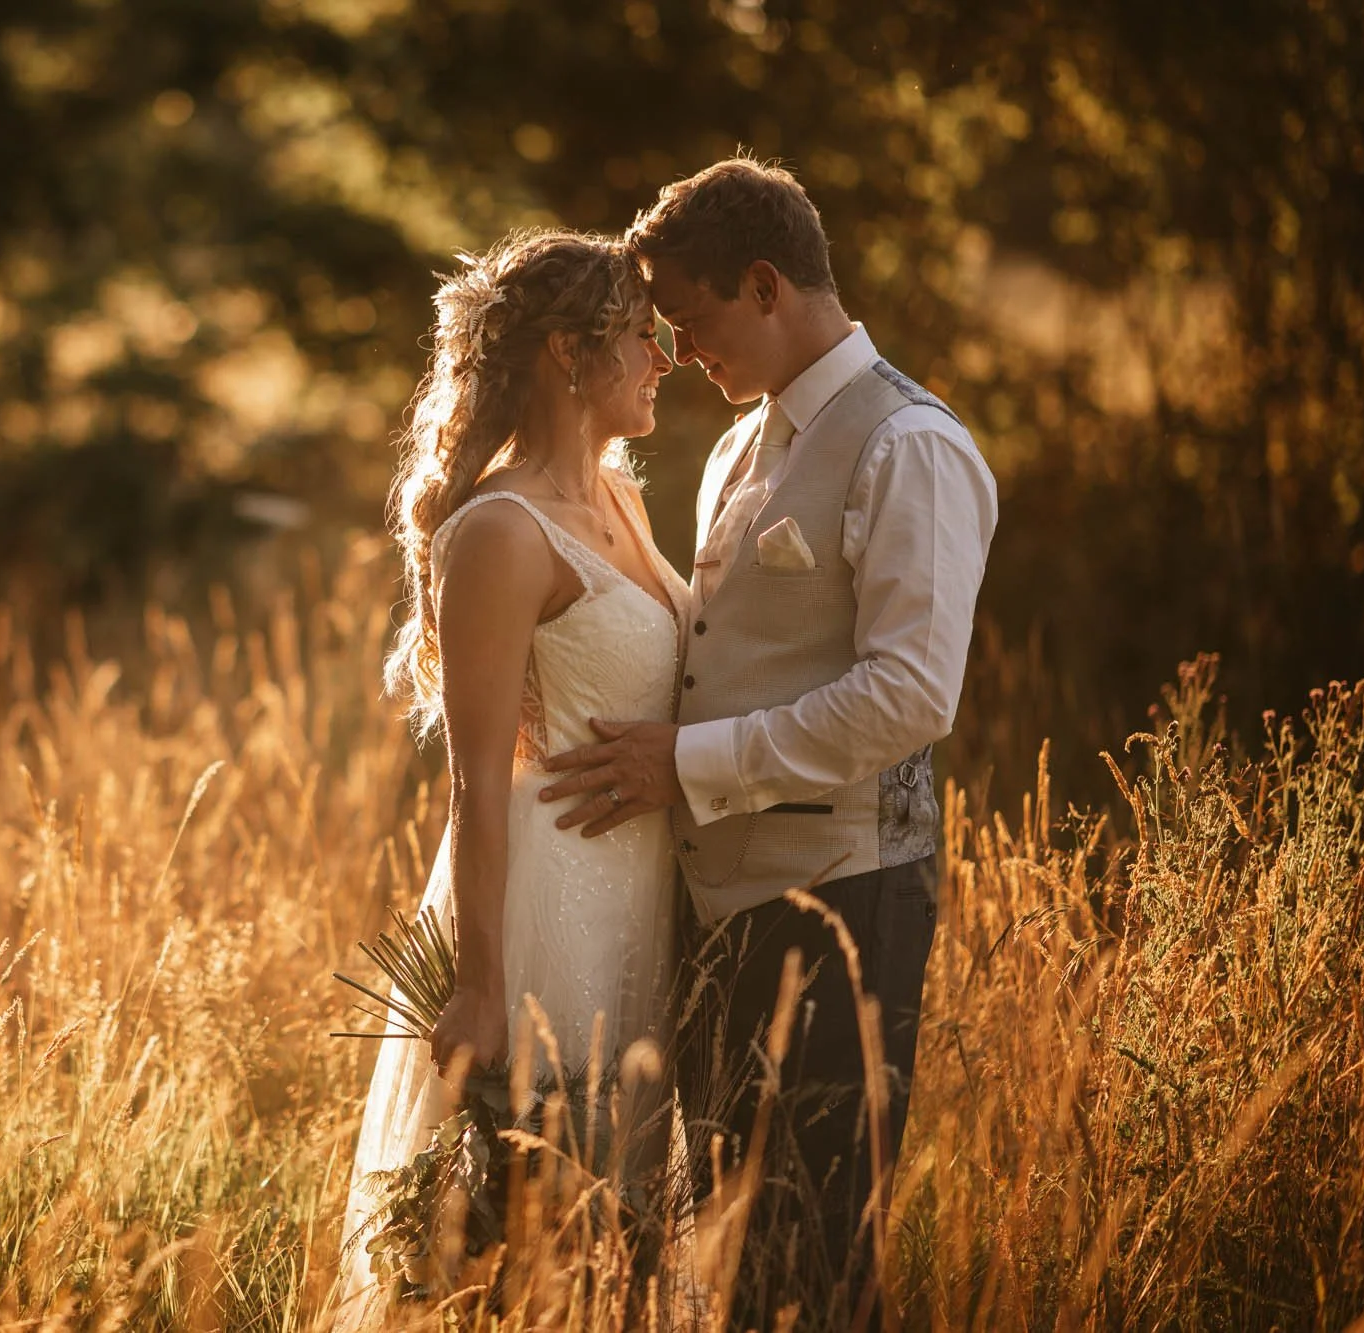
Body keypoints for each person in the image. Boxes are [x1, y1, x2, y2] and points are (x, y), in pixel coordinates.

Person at [536, 155, 999, 1326]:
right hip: (719, 911)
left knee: (811, 1262)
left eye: (687, 323)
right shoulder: (740, 449)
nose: (679, 354)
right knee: (735, 1255)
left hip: (843, 902)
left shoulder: (910, 445)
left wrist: (680, 765)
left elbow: (907, 696)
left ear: (762, 286)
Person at [336, 229, 685, 1323]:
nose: (662, 360)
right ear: (566, 353)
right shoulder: (498, 531)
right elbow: (476, 783)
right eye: (641, 335)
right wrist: (481, 980)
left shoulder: (621, 496)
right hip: (547, 910)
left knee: (625, 1237)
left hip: (641, 893)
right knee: (534, 1233)